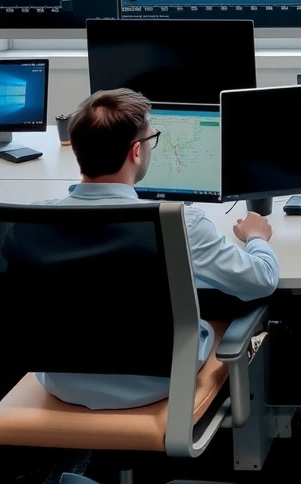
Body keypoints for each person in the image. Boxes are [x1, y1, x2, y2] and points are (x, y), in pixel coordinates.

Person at [36, 88, 280, 410]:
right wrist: (256, 237)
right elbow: (260, 282)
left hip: (63, 382)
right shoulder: (180, 224)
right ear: (136, 152)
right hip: (159, 382)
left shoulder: (34, 222)